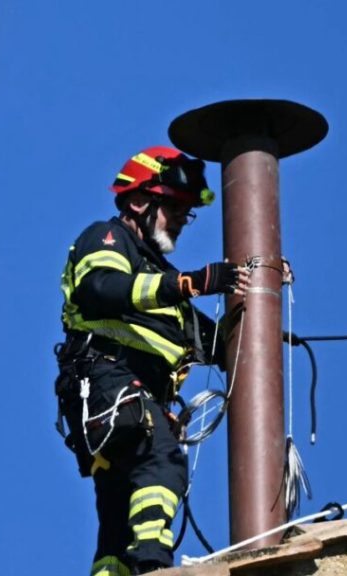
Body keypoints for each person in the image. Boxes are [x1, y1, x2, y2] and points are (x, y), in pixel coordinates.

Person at [54, 146, 250, 575]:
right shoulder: (107, 238)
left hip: (124, 399)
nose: (181, 218)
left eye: (185, 211)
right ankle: (153, 567)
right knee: (160, 460)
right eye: (174, 206)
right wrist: (187, 283)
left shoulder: (161, 283)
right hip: (109, 380)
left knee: (118, 514)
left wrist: (266, 294)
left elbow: (222, 345)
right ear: (140, 201)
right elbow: (100, 288)